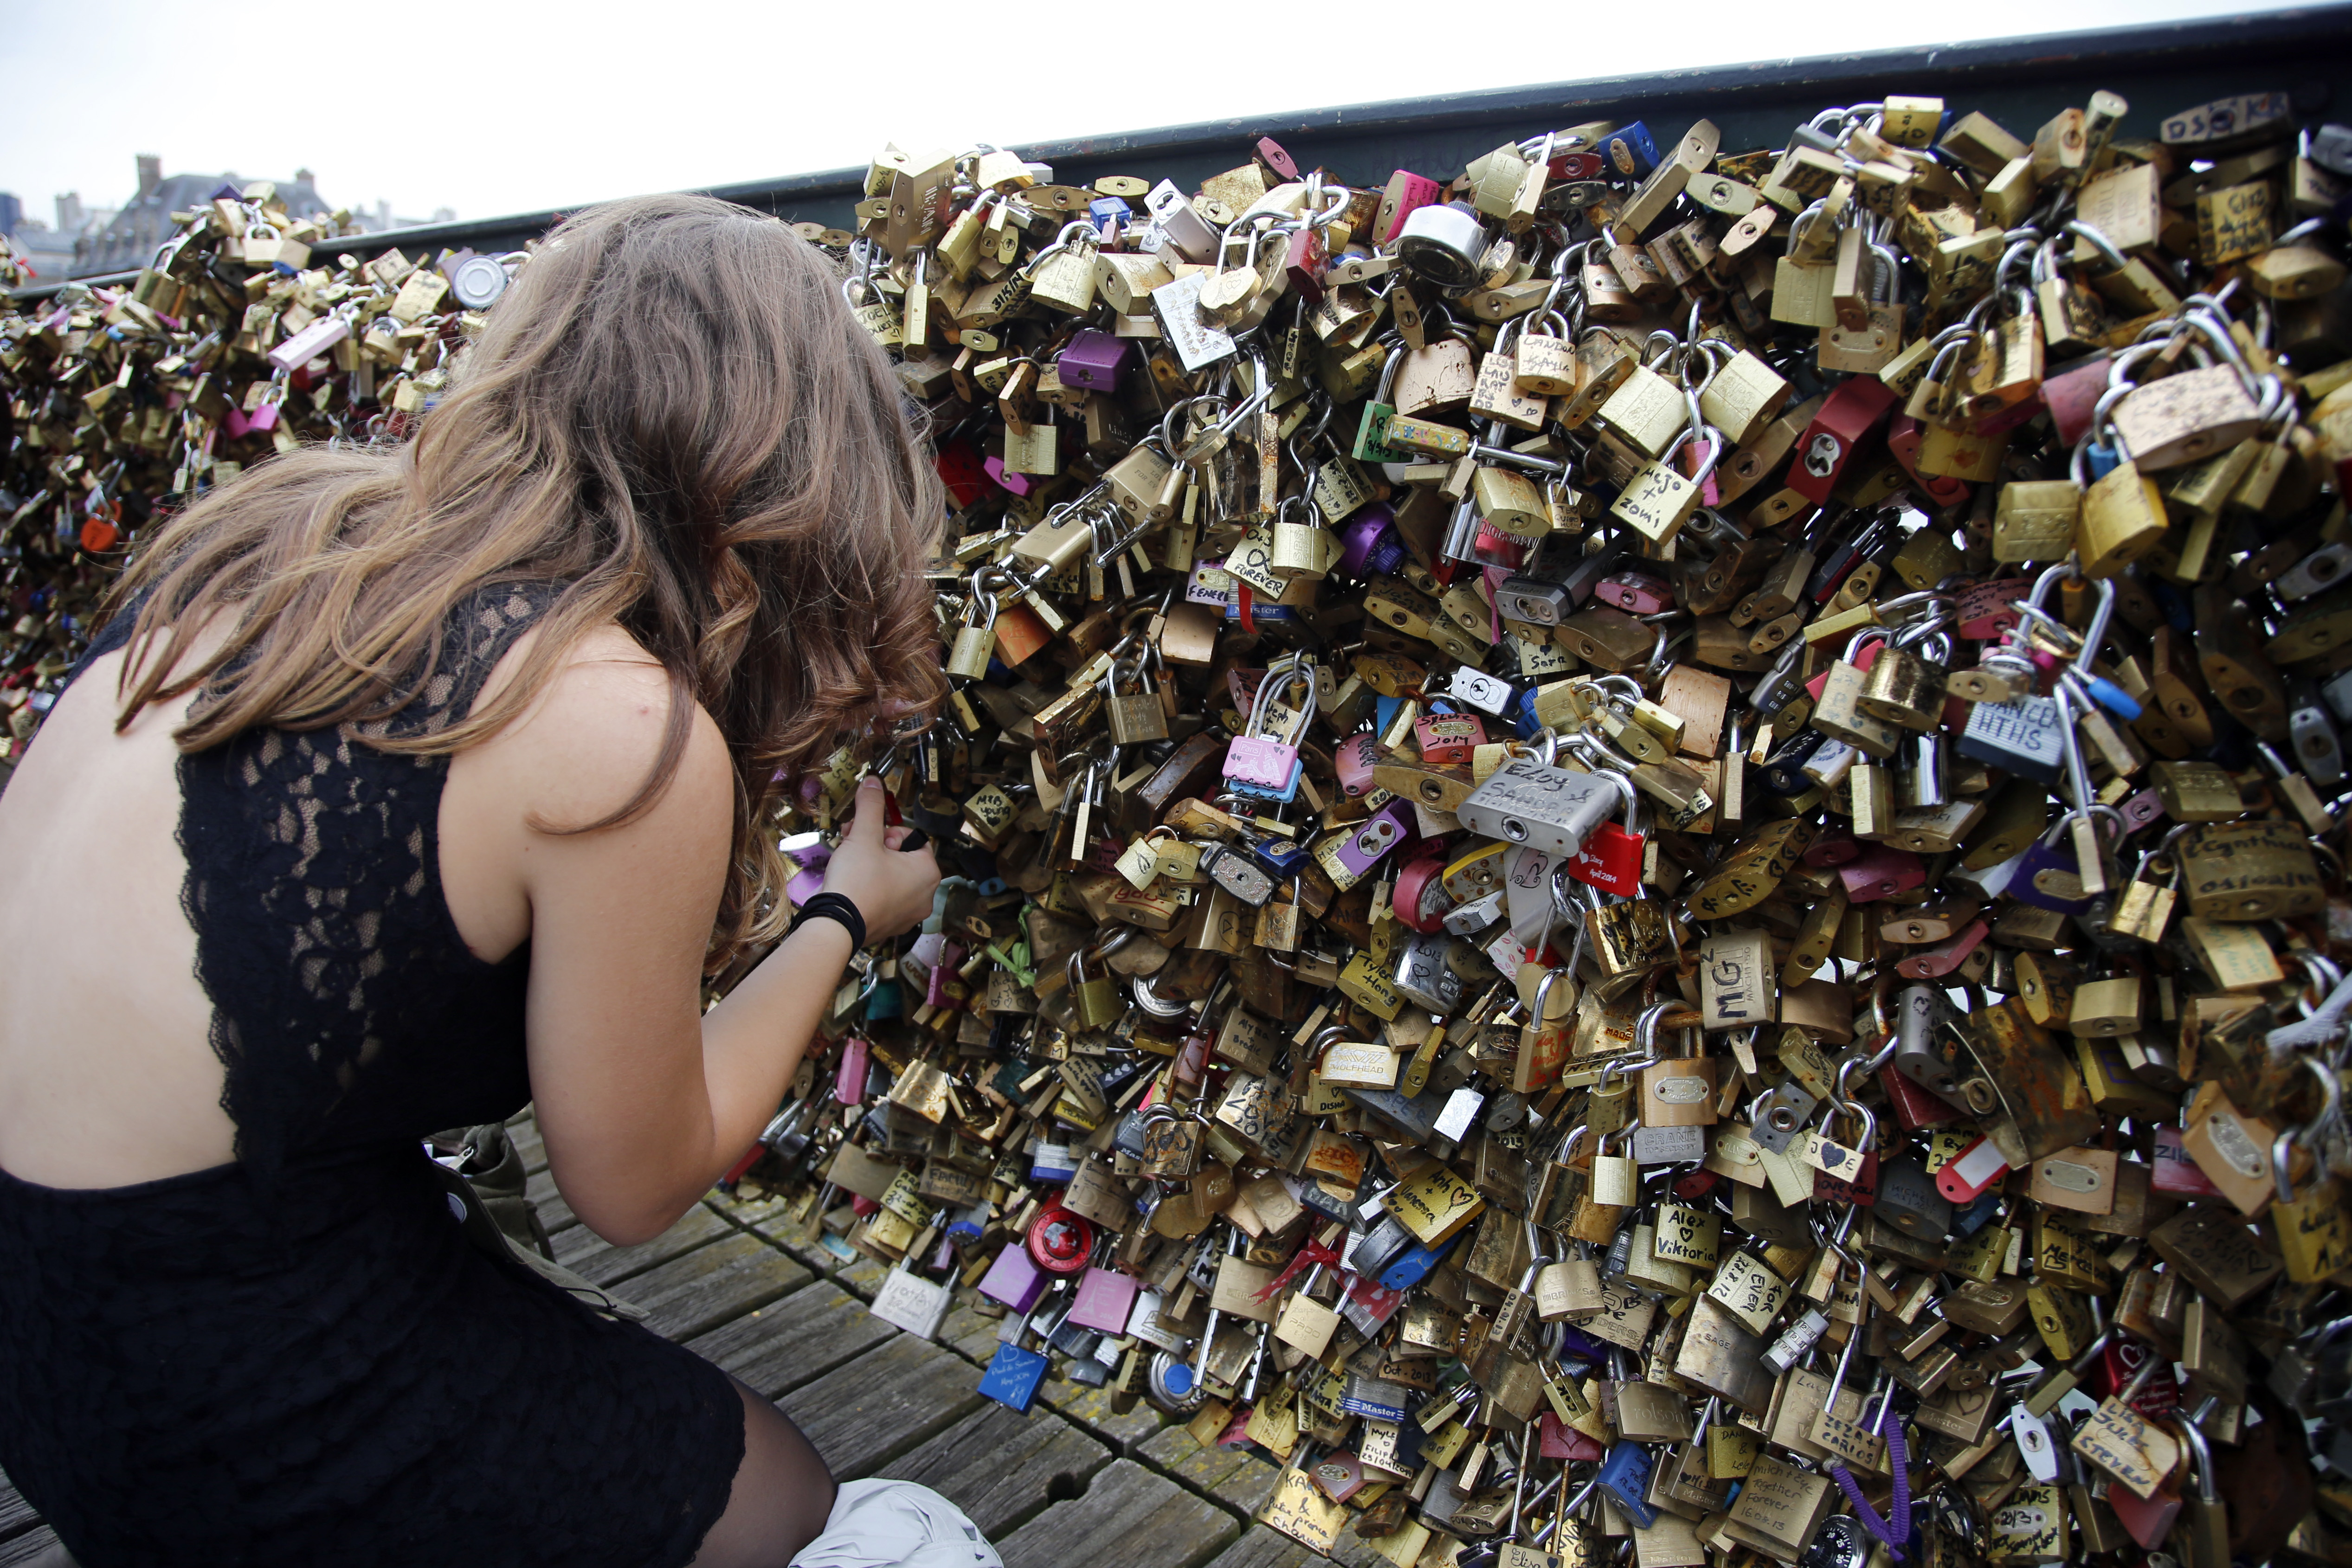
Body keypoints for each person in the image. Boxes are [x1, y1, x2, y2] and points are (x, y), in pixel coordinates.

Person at [0, 193, 953, 1568]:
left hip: (39, 1330)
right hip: (199, 1382)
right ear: (778, 481)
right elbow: (635, 1184)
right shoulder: (613, 716)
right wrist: (846, 910)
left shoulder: (277, 548)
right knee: (802, 1504)